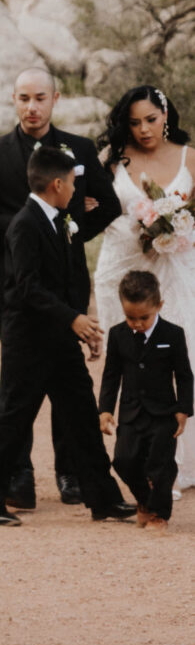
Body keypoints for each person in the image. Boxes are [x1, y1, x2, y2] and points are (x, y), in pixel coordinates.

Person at [0, 67, 121, 507]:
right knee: (20, 392)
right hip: (18, 288)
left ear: (56, 99)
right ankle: (18, 477)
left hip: (67, 285)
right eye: (23, 98)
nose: (32, 107)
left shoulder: (81, 149)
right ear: (13, 100)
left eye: (40, 98)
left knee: (71, 390)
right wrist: (21, 227)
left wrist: (69, 230)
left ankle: (75, 476)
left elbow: (107, 205)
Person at [0, 146, 133, 527]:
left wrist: (83, 325)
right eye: (73, 183)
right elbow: (27, 288)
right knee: (13, 417)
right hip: (27, 340)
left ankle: (103, 498)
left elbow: (70, 278)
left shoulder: (60, 218)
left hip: (60, 338)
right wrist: (72, 319)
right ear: (57, 184)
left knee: (81, 415)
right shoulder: (25, 224)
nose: (76, 190)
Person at [91, 85, 195, 495]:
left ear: (165, 114)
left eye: (150, 119)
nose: (144, 129)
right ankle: (145, 462)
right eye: (134, 122)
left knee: (182, 356)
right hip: (125, 268)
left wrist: (181, 229)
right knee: (133, 366)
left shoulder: (190, 157)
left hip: (179, 270)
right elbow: (93, 208)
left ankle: (179, 462)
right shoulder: (112, 160)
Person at [98, 266, 192, 527]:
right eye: (131, 317)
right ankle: (145, 499)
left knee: (160, 465)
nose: (137, 324)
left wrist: (183, 409)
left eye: (144, 318)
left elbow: (184, 375)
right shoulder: (117, 335)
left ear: (159, 305)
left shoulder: (173, 335)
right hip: (130, 412)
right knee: (123, 461)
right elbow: (111, 374)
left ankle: (159, 515)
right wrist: (105, 409)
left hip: (164, 413)